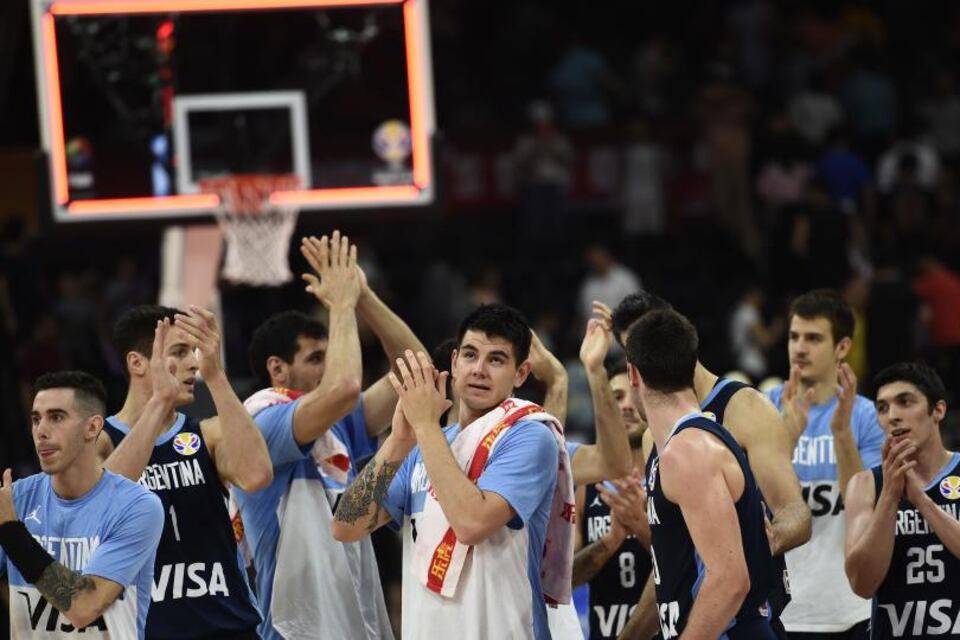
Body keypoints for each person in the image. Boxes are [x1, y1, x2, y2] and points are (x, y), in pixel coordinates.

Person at [332, 303, 573, 640]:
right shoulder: (422, 445)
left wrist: (425, 425)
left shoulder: (530, 435)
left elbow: (472, 523)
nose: (479, 370)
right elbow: (346, 525)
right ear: (454, 362)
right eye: (471, 356)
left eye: (497, 360)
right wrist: (400, 440)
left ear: (521, 373)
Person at [235, 231, 427, 639]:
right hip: (294, 629)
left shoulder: (334, 427)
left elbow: (416, 369)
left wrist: (364, 297)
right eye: (315, 358)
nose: (328, 365)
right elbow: (344, 387)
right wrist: (341, 307)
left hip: (351, 619)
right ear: (277, 369)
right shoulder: (263, 423)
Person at [609, 290, 809, 638]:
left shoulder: (728, 418)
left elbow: (733, 575)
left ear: (633, 371)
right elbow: (673, 562)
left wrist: (764, 541)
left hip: (738, 621)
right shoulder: (659, 437)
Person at [98, 303, 273, 639]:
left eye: (193, 352)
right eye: (178, 352)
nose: (193, 362)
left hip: (230, 626)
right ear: (137, 363)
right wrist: (159, 403)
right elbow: (101, 508)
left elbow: (257, 475)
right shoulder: (101, 441)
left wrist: (217, 376)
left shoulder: (206, 433)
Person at [0, 371, 163, 638]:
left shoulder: (137, 507)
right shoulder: (15, 499)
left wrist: (11, 532)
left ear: (92, 427)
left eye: (56, 417)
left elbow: (83, 607)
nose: (41, 431)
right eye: (36, 419)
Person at [768, 289, 885, 638]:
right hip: (781, 606)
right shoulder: (762, 409)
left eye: (814, 338)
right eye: (793, 337)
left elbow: (865, 507)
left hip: (849, 608)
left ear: (843, 347)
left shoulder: (868, 417)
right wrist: (785, 440)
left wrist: (841, 433)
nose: (799, 348)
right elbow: (751, 504)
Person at [845, 361, 960, 639]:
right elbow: (862, 584)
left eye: (905, 402)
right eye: (883, 408)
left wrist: (922, 502)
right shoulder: (865, 485)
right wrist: (890, 497)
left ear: (938, 410)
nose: (893, 416)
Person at [572, 360, 650, 640]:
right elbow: (564, 580)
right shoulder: (586, 486)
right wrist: (610, 541)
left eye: (635, 395)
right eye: (617, 397)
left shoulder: (669, 476)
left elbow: (695, 568)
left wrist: (641, 527)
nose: (627, 405)